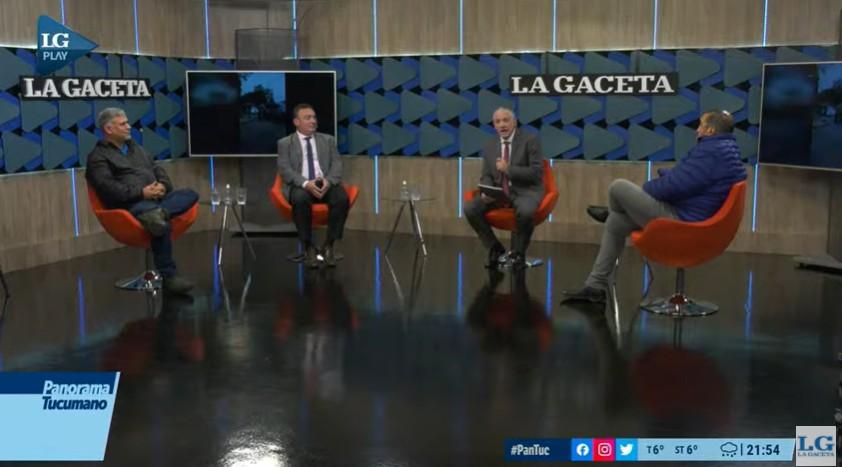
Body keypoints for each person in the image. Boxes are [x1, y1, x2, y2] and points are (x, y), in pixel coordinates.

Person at [562, 110, 748, 304]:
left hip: (684, 222)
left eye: (701, 125)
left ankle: (616, 210)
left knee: (618, 187)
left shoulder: (711, 152)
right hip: (692, 216)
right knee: (616, 222)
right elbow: (691, 180)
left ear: (710, 130)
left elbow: (674, 187)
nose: (697, 130)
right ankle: (595, 287)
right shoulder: (725, 151)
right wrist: (669, 175)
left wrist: (647, 189)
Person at [86, 108, 198, 295]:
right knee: (158, 222)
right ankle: (170, 277)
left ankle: (160, 213)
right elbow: (108, 189)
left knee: (190, 194)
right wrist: (141, 193)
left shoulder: (137, 149)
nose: (129, 126)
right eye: (123, 124)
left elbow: (158, 170)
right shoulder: (98, 157)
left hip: (157, 200)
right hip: (131, 205)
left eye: (127, 122)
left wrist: (163, 186)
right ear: (108, 129)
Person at [463, 107, 544, 270]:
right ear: (494, 126)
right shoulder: (490, 145)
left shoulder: (530, 140)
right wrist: (486, 191)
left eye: (506, 120)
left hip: (525, 191)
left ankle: (518, 253)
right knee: (470, 208)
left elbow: (536, 173)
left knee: (526, 211)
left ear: (514, 122)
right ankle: (494, 248)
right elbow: (486, 174)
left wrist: (509, 169)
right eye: (498, 121)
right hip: (499, 193)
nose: (502, 125)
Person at [277, 103, 349, 268]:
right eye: (307, 118)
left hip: (325, 182)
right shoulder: (285, 143)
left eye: (314, 117)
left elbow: (337, 164)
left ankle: (329, 245)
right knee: (300, 198)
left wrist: (328, 181)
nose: (313, 121)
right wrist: (305, 183)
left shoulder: (328, 140)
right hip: (301, 185)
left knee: (341, 198)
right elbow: (285, 169)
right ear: (296, 122)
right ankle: (308, 246)